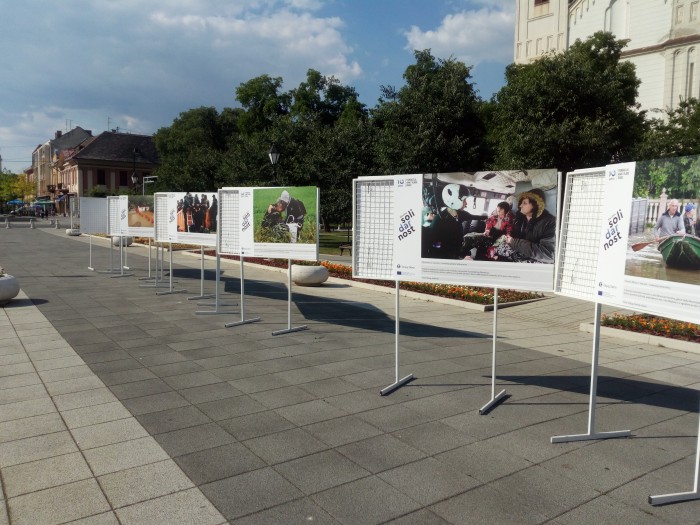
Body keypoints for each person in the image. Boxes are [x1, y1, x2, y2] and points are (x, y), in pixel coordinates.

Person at [498, 188, 556, 263]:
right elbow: (513, 235)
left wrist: (514, 242)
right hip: (519, 251)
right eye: (521, 203)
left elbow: (548, 254)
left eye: (525, 203)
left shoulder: (549, 222)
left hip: (536, 259)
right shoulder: (519, 218)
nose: (521, 205)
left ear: (535, 205)